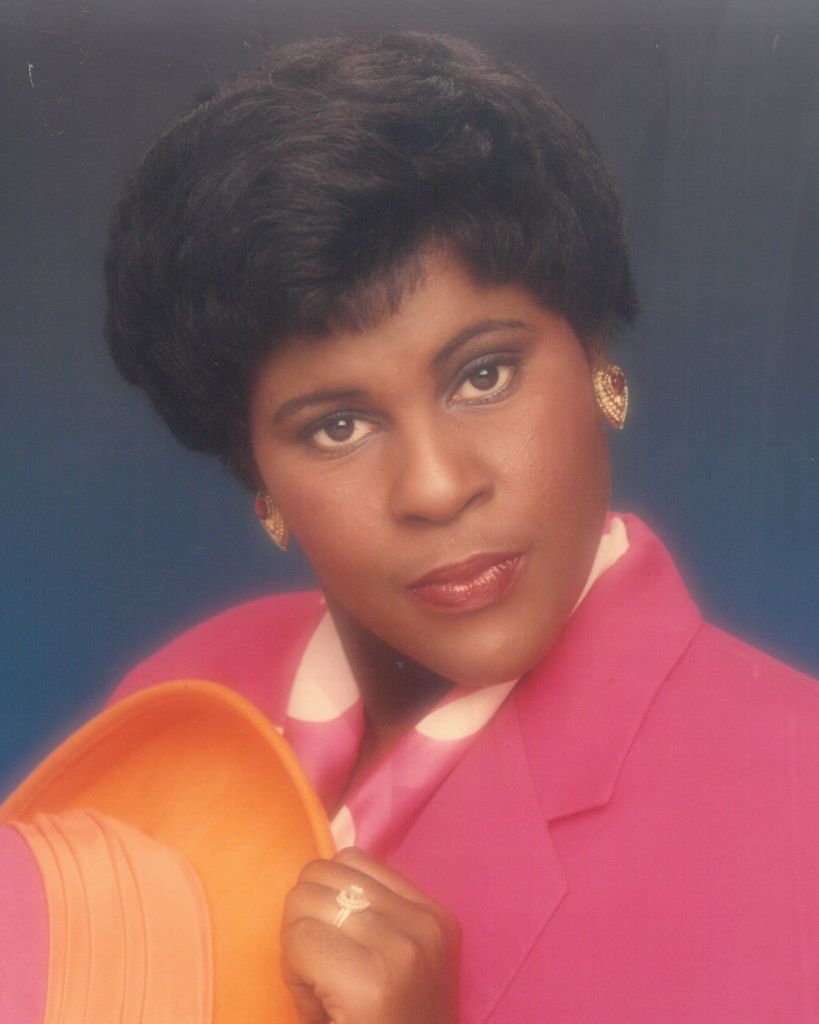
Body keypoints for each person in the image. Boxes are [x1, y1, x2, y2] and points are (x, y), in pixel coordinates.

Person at [2, 31, 818, 1024]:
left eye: (484, 374)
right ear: (260, 481)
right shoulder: (183, 695)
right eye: (337, 426)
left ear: (598, 359)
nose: (434, 488)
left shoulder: (794, 795)